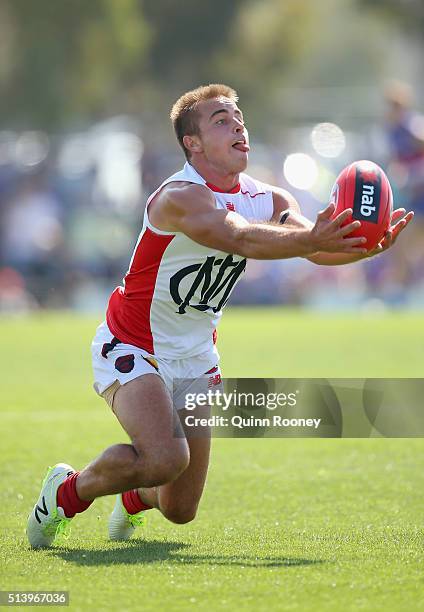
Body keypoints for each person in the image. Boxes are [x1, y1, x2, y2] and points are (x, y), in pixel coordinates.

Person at [27, 84, 413, 548]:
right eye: (221, 121)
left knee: (179, 509)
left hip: (195, 358)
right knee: (167, 457)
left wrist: (360, 247)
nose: (238, 126)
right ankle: (67, 491)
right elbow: (241, 238)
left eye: (239, 118)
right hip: (134, 345)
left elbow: (313, 246)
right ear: (193, 143)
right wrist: (319, 240)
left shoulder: (267, 198)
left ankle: (133, 498)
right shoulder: (178, 197)